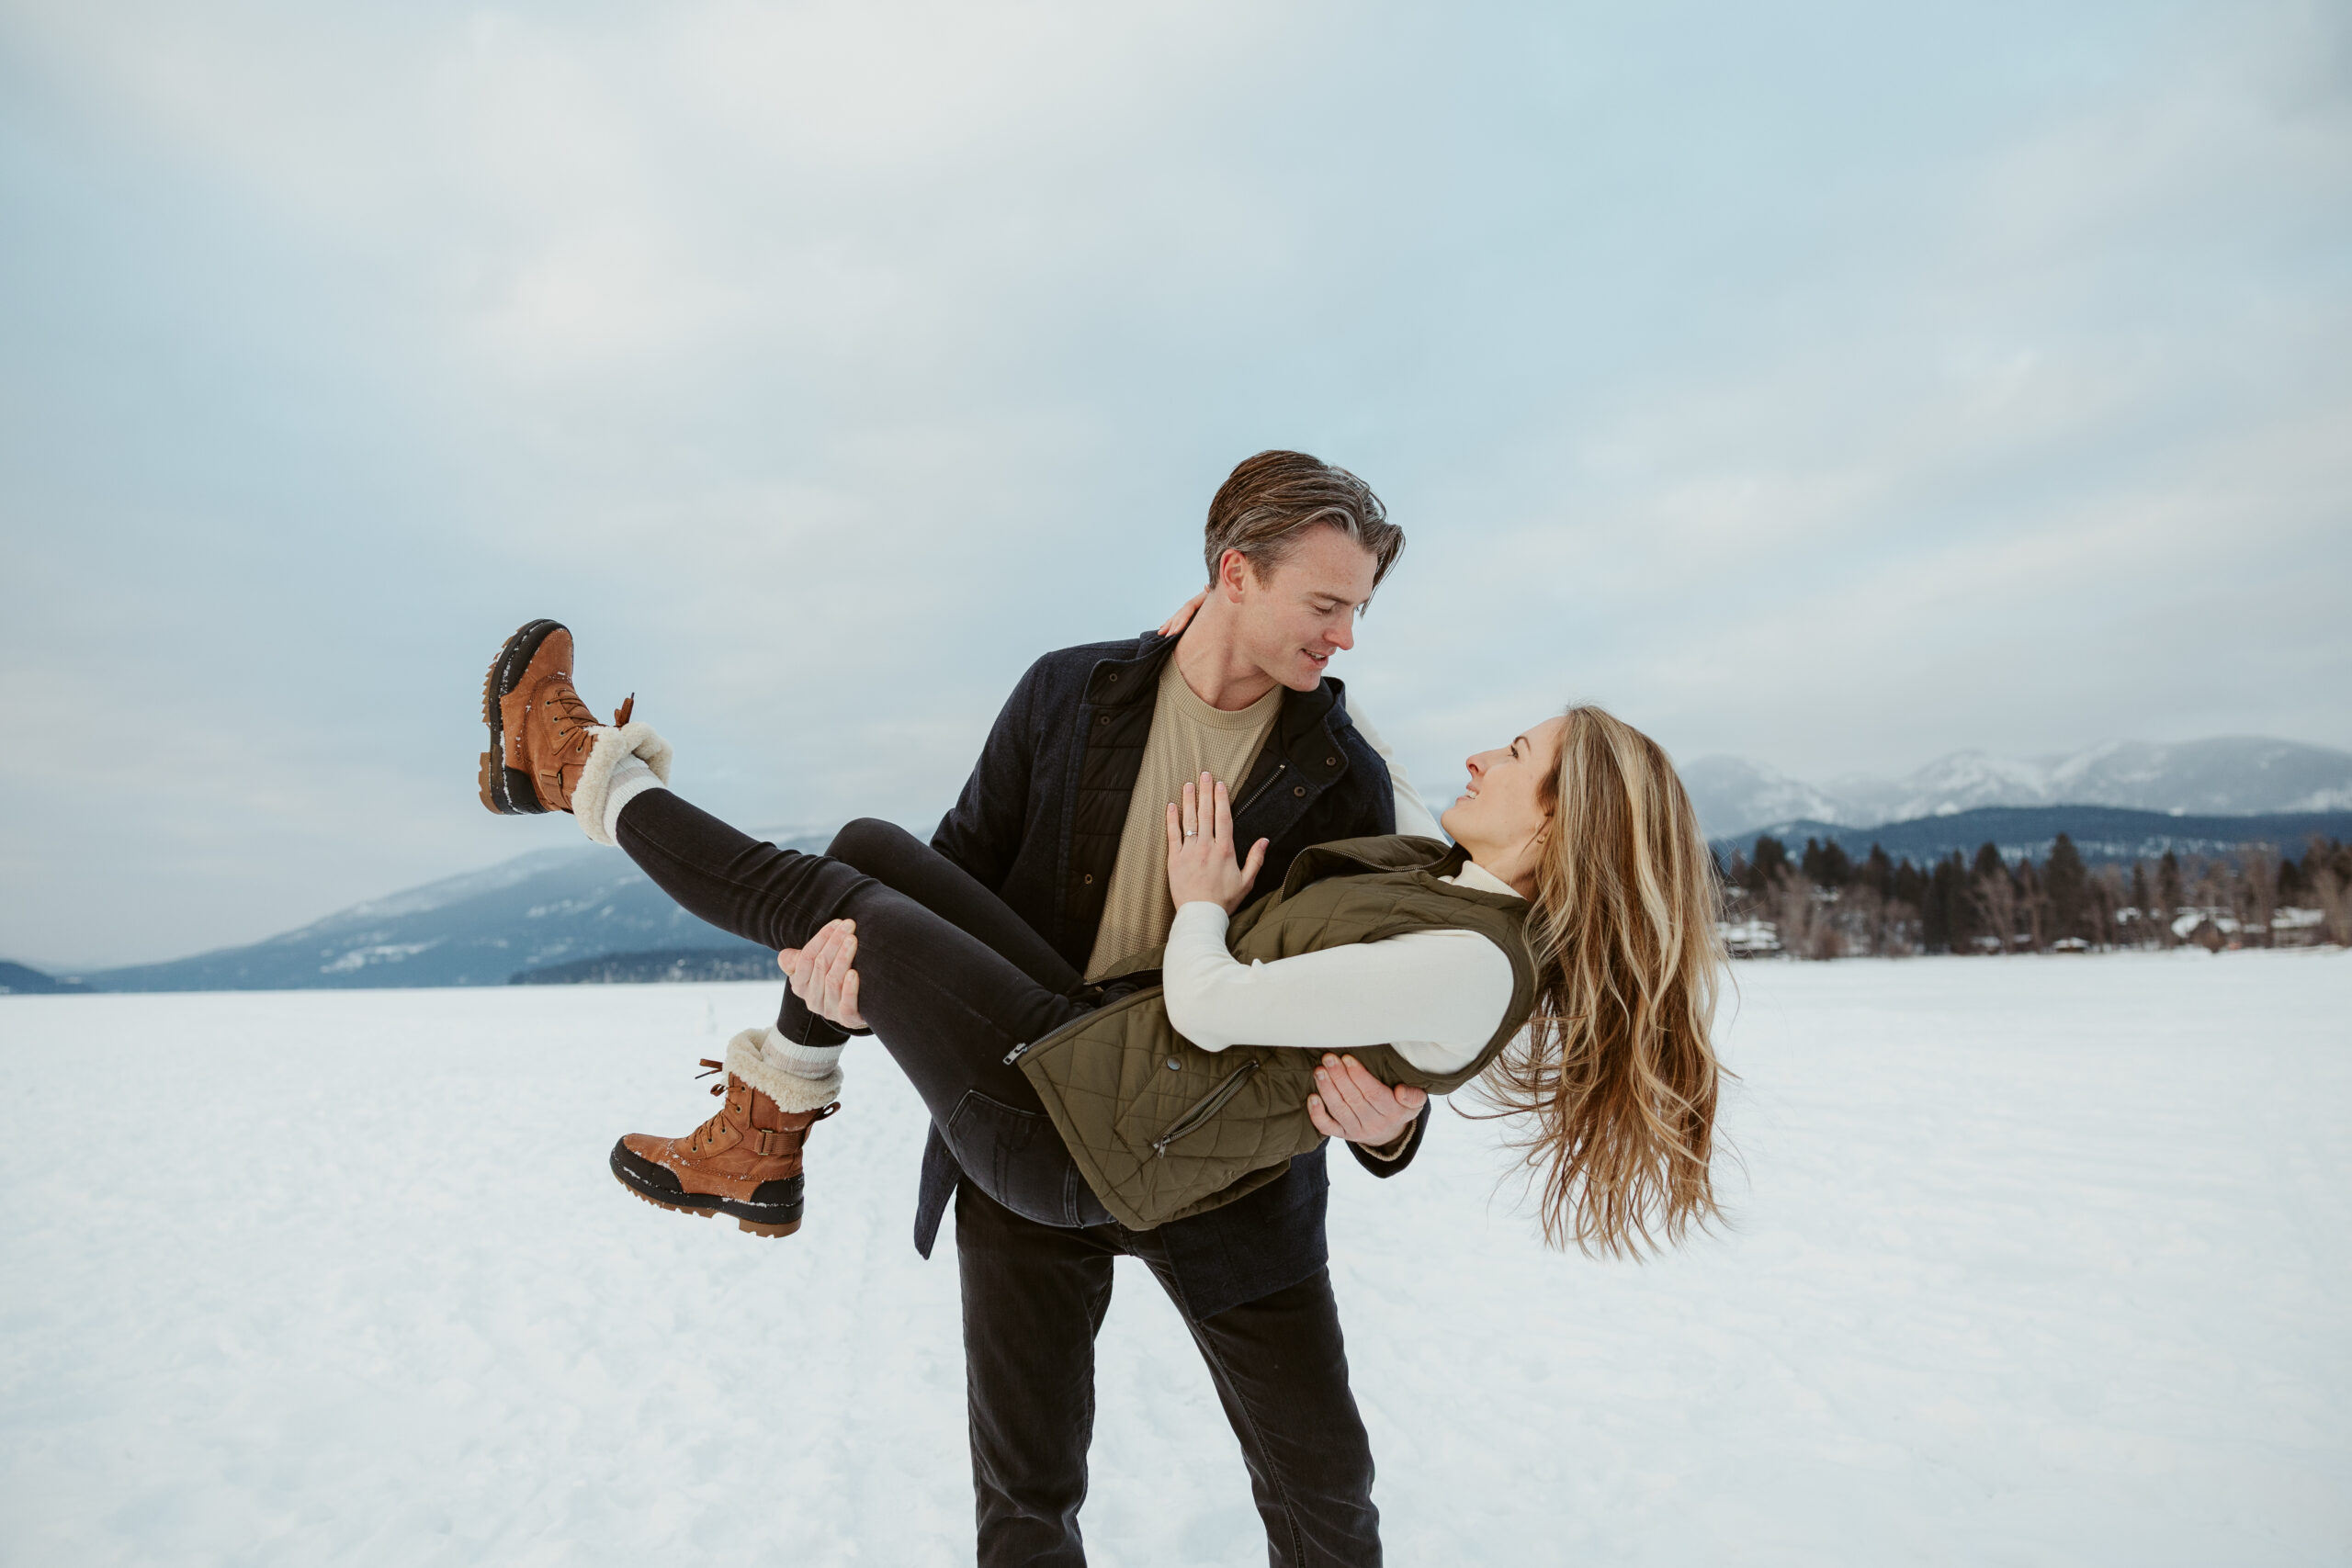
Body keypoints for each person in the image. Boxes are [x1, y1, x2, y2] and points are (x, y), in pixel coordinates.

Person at [474, 457, 1725, 1566]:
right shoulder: (1071, 694)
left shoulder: (1344, 776)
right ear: (1237, 574)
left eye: (1358, 612)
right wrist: (852, 986)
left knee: (1324, 1496)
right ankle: (768, 1123)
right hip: (1046, 1065)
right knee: (1026, 1503)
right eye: (1327, 605)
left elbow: (1402, 998)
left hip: (1225, 1170)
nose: (1346, 638)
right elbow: (959, 864)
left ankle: (586, 785)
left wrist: (1390, 1122)